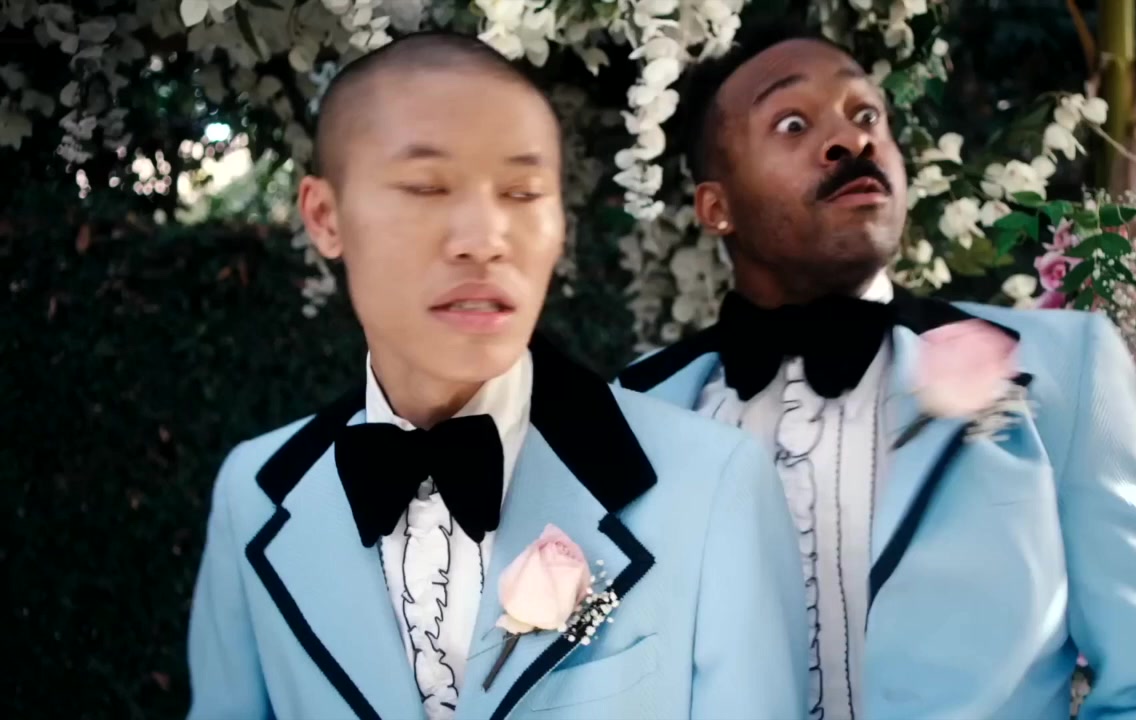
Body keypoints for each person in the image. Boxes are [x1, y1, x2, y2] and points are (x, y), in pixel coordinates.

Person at [618, 24, 1136, 720]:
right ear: (717, 207)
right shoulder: (631, 417)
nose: (851, 141)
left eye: (867, 116)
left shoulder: (1063, 369)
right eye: (793, 124)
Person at [185, 31, 807, 720]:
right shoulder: (255, 494)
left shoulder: (710, 484)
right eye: (426, 188)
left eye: (522, 191)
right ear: (325, 218)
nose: (484, 239)